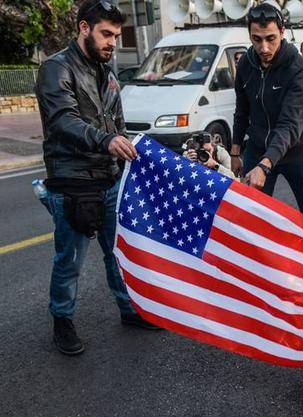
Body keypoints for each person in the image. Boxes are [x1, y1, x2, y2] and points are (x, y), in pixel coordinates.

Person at [35, 0, 161, 356]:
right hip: (74, 183)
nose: (112, 42)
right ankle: (62, 320)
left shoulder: (107, 72)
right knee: (69, 261)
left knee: (118, 254)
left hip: (109, 180)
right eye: (106, 34)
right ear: (84, 28)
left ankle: (129, 309)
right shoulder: (55, 69)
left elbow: (117, 124)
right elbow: (63, 121)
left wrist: (129, 151)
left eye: (117, 36)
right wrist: (107, 141)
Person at [231, 2, 303, 225]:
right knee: (252, 217)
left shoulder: (298, 68)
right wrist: (235, 152)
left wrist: (265, 165)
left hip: (296, 151)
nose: (264, 48)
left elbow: (289, 125)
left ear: (282, 33)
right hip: (257, 148)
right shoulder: (245, 63)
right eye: (257, 39)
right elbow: (241, 111)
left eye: (270, 38)